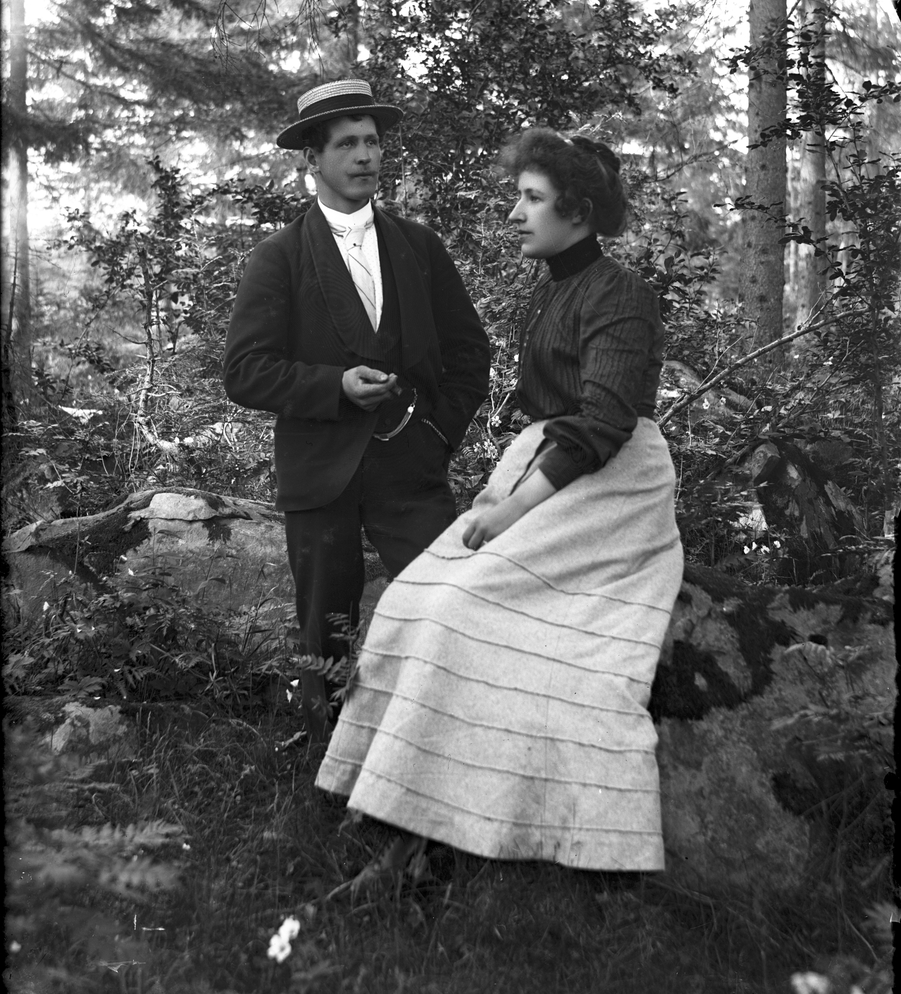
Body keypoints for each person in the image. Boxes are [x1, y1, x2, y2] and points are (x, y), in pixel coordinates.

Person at [315, 127, 684, 889]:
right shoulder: (551, 287)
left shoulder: (619, 292)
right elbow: (544, 405)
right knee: (414, 601)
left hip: (609, 484)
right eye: (518, 196)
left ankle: (430, 841)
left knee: (463, 611)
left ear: (577, 210)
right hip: (548, 467)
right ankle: (396, 812)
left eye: (530, 199)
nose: (514, 213)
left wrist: (510, 511)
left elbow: (602, 425)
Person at [223, 79, 491, 739]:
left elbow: (469, 353)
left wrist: (437, 432)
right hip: (321, 475)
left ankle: (443, 755)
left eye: (372, 142)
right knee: (325, 638)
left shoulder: (418, 247)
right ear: (312, 158)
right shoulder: (279, 257)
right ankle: (327, 764)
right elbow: (244, 372)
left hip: (411, 469)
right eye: (347, 144)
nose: (365, 156)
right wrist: (334, 387)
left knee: (449, 607)